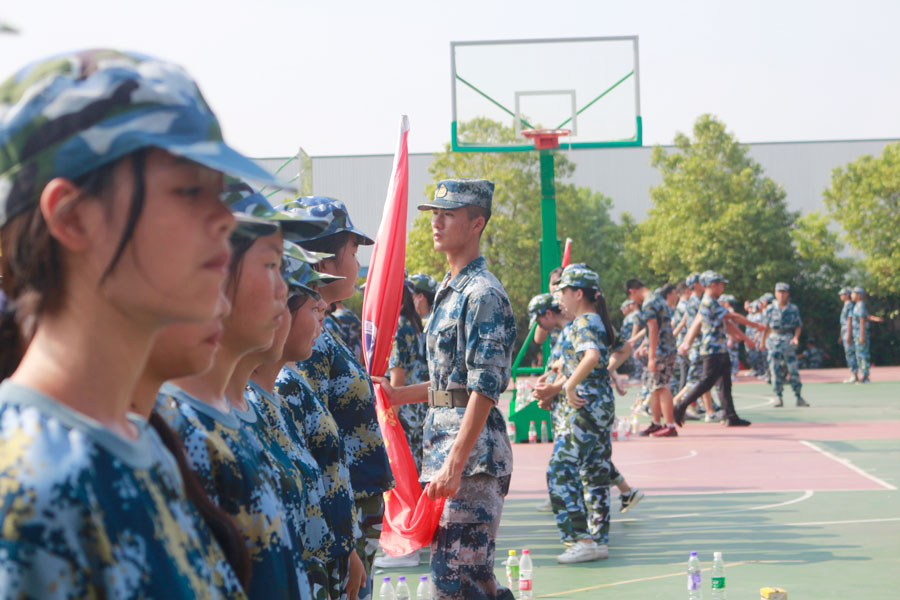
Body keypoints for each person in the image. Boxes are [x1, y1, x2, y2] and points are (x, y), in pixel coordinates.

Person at [0, 49, 286, 597]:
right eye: (188, 190)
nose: (225, 218)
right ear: (72, 217)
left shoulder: (141, 446)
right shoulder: (25, 489)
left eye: (219, 191)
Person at [374, 178, 516, 600]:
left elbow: (484, 387)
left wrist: (454, 463)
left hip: (470, 461)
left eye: (447, 214)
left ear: (476, 224)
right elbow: (447, 386)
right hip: (447, 455)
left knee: (455, 584)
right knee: (468, 583)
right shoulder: (448, 290)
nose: (436, 222)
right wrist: (399, 396)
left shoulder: (482, 294)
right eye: (434, 213)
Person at [294, 197, 394, 600]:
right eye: (353, 251)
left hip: (350, 512)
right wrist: (344, 541)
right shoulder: (309, 339)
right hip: (339, 518)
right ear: (323, 262)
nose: (357, 264)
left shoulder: (321, 328)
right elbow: (311, 443)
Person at [275, 258, 366, 600]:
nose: (323, 308)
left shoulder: (286, 385)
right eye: (313, 303)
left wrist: (346, 544)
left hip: (327, 557)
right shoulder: (281, 390)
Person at [546, 265, 641, 563]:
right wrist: (604, 373)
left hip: (585, 405)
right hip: (600, 402)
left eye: (563, 291)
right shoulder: (598, 320)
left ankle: (580, 537)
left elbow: (592, 355)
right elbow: (623, 348)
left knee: (560, 469)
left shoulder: (584, 321)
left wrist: (572, 384)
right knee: (595, 471)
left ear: (578, 293)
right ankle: (598, 540)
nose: (560, 297)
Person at [373, 279, 430, 569]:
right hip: (420, 412)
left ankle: (408, 547)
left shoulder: (398, 327)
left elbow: (398, 379)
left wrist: (386, 417)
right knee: (415, 479)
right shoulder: (416, 323)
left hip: (403, 415)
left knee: (401, 481)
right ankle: (418, 539)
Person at [674, 271, 765, 428]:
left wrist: (744, 338)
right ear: (713, 285)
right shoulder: (709, 302)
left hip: (720, 349)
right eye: (721, 284)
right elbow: (732, 317)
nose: (723, 287)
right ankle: (680, 406)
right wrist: (756, 326)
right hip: (711, 350)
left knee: (725, 384)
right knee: (706, 383)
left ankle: (730, 416)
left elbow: (726, 323)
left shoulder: (711, 303)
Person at [625, 279, 679, 437]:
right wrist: (643, 345)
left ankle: (670, 425)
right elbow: (653, 329)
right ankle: (656, 423)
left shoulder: (648, 303)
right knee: (654, 386)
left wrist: (651, 356)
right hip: (665, 347)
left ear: (632, 292)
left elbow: (653, 328)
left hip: (662, 350)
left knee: (662, 386)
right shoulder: (657, 298)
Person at [759, 283, 809, 408]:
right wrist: (762, 342)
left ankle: (798, 396)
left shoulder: (793, 309)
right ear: (775, 293)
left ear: (788, 294)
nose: (781, 294)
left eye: (784, 292)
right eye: (779, 292)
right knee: (774, 370)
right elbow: (765, 327)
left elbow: (798, 325)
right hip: (774, 339)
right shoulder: (770, 309)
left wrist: (796, 338)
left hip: (787, 339)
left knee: (793, 370)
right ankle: (778, 396)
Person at [838, 288, 859, 382]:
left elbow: (850, 319)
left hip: (848, 331)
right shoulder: (846, 305)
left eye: (842, 294)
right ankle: (854, 374)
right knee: (848, 353)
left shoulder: (849, 304)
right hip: (845, 331)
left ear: (847, 295)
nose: (841, 296)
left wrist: (848, 334)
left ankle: (855, 375)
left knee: (850, 352)